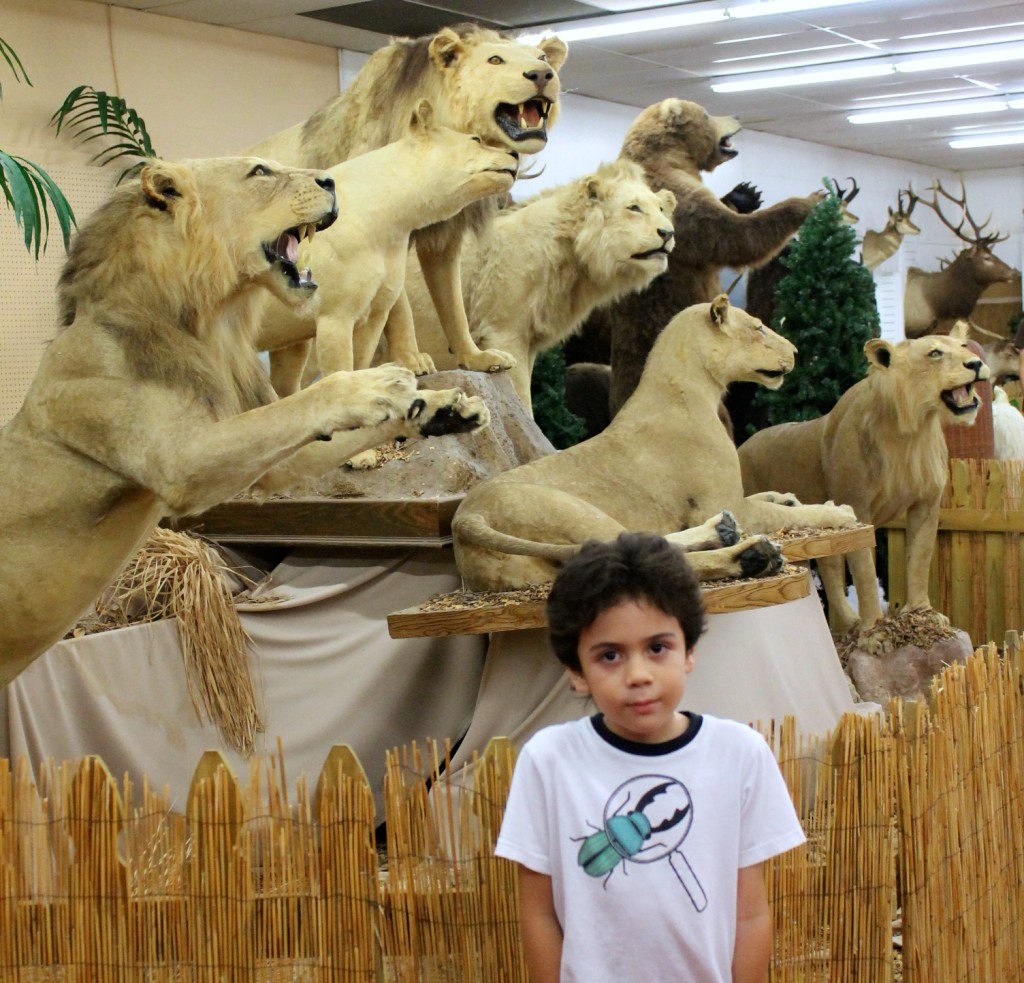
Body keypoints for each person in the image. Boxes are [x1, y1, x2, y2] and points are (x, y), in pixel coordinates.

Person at [494, 531, 806, 983]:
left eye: (657, 648)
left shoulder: (740, 756)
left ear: (690, 650)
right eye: (609, 656)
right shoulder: (549, 762)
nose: (638, 675)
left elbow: (751, 915)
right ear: (576, 672)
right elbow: (538, 913)